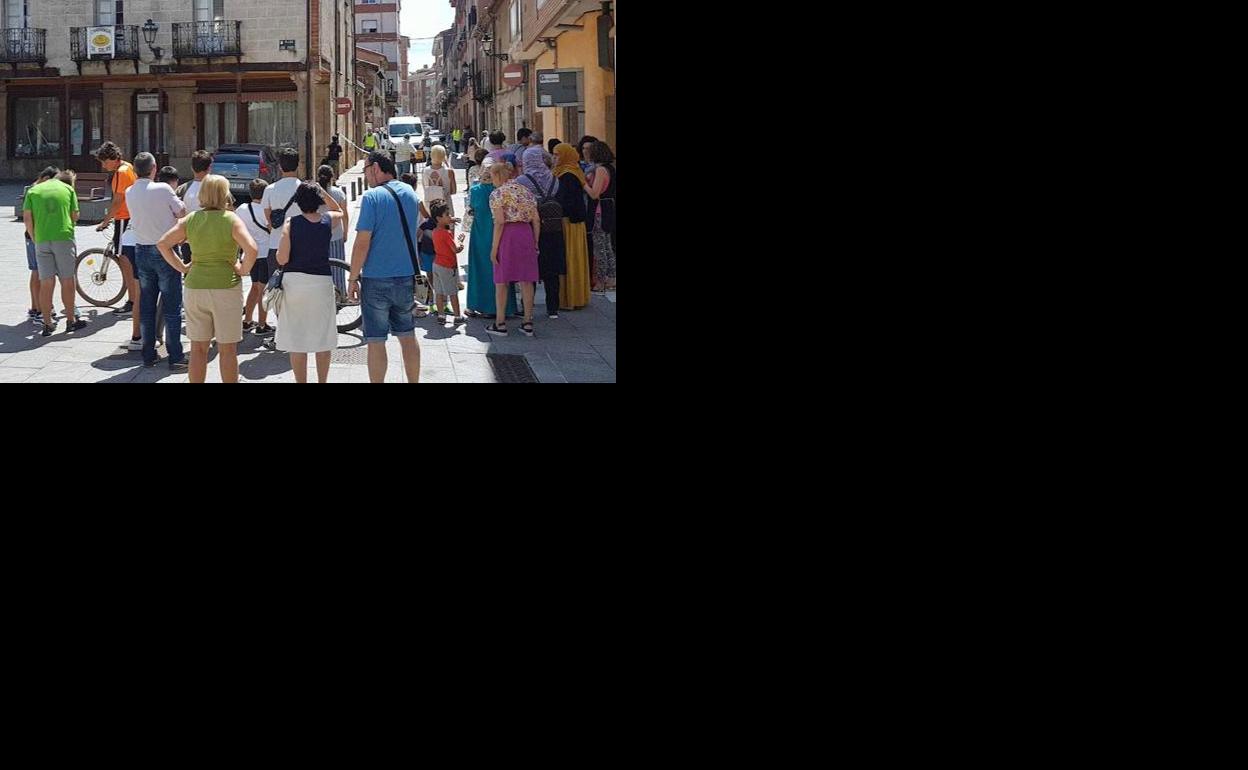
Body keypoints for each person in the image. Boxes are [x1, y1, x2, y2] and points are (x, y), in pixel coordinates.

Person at [156, 175, 259, 382]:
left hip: (195, 287)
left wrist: (183, 267)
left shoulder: (191, 219)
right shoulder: (231, 219)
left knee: (198, 349)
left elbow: (163, 243)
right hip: (226, 288)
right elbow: (252, 249)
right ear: (224, 194)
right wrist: (242, 269)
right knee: (227, 349)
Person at [349, 152, 424, 383]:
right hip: (405, 276)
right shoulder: (410, 193)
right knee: (407, 336)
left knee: (376, 340)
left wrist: (352, 278)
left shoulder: (372, 197)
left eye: (366, 169)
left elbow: (362, 243)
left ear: (377, 168)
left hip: (376, 278)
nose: (365, 174)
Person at [274, 182, 343, 383]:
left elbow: (282, 258)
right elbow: (338, 210)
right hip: (321, 282)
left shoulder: (291, 223)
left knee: (297, 340)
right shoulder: (327, 220)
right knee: (323, 338)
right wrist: (322, 191)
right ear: (318, 200)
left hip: (295, 284)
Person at [126, 152, 189, 368]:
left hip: (141, 249)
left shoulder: (129, 191)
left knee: (147, 305)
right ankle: (175, 356)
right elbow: (182, 211)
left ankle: (148, 353)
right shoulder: (163, 189)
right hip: (165, 249)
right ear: (154, 168)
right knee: (172, 306)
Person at [24, 165, 87, 337]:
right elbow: (75, 214)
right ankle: (70, 320)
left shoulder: (34, 191)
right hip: (63, 237)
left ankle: (47, 323)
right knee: (67, 279)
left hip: (42, 239)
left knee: (46, 282)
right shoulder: (67, 189)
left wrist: (35, 237)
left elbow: (27, 218)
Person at [93, 141, 142, 342]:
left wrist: (106, 221)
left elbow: (118, 200)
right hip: (131, 217)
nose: (104, 166)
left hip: (124, 218)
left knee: (124, 260)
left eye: (104, 162)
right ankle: (134, 297)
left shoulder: (121, 172)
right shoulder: (128, 167)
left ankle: (132, 300)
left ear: (112, 159)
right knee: (128, 259)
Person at [485, 162, 540, 338]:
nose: (491, 180)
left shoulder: (497, 194)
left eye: (492, 176)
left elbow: (500, 222)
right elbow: (536, 220)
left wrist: (494, 248)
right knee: (526, 279)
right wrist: (536, 242)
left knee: (502, 280)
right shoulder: (526, 191)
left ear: (498, 176)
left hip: (507, 236)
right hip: (526, 233)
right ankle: (528, 321)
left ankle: (500, 323)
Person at [465, 156, 518, 319]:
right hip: (501, 234)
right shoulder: (503, 191)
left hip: (480, 233)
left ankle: (479, 304)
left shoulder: (475, 190)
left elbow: (472, 209)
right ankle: (506, 307)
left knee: (479, 269)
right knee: (501, 270)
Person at [257, 148, 302, 341]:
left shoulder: (270, 189)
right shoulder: (305, 188)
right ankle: (297, 328)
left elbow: (268, 218)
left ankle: (282, 329)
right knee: (298, 288)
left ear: (280, 166)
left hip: (276, 245)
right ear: (298, 165)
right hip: (301, 245)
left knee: (277, 288)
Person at [516, 146, 565, 319]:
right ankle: (553, 309)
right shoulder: (554, 179)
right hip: (553, 228)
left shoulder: (522, 181)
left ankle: (526, 305)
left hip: (531, 228)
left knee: (530, 268)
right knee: (551, 269)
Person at [553, 143, 591, 312]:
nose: (554, 158)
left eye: (557, 155)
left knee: (570, 259)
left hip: (569, 222)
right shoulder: (567, 172)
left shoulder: (568, 175)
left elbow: (566, 201)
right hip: (572, 222)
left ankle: (570, 298)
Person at [23, 167, 58, 324]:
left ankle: (39, 306)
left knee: (38, 272)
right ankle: (38, 309)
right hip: (36, 237)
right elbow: (30, 217)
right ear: (45, 178)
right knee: (38, 272)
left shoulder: (34, 189)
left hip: (38, 236)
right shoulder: (36, 191)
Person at [239, 179, 273, 334]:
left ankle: (247, 321)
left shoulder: (242, 209)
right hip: (266, 253)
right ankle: (261, 324)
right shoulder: (266, 211)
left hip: (250, 253)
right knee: (263, 289)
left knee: (254, 286)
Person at [585, 141, 617, 292]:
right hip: (609, 208)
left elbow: (594, 194)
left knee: (600, 247)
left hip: (600, 211)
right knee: (608, 246)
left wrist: (583, 183)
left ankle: (601, 281)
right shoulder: (611, 168)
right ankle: (612, 278)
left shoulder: (600, 170)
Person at [174, 150, 214, 266]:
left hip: (189, 240)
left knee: (190, 276)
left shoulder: (182, 189)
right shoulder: (218, 188)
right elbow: (230, 210)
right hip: (212, 240)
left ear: (192, 168)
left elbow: (175, 214)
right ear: (209, 167)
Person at [316, 165, 351, 299]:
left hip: (318, 236)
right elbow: (345, 215)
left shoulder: (315, 193)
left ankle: (324, 296)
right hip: (336, 235)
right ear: (332, 177)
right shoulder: (339, 193)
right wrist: (346, 233)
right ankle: (341, 295)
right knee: (338, 268)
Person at [428, 203, 465, 325]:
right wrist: (460, 242)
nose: (450, 217)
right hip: (447, 266)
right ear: (439, 218)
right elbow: (455, 249)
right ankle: (458, 316)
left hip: (436, 264)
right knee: (452, 292)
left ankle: (441, 315)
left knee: (438, 292)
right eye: (447, 215)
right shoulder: (446, 233)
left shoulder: (435, 231)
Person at [422, 145, 457, 217]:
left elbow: (425, 188)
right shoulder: (449, 171)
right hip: (445, 204)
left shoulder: (424, 171)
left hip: (430, 205)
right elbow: (453, 191)